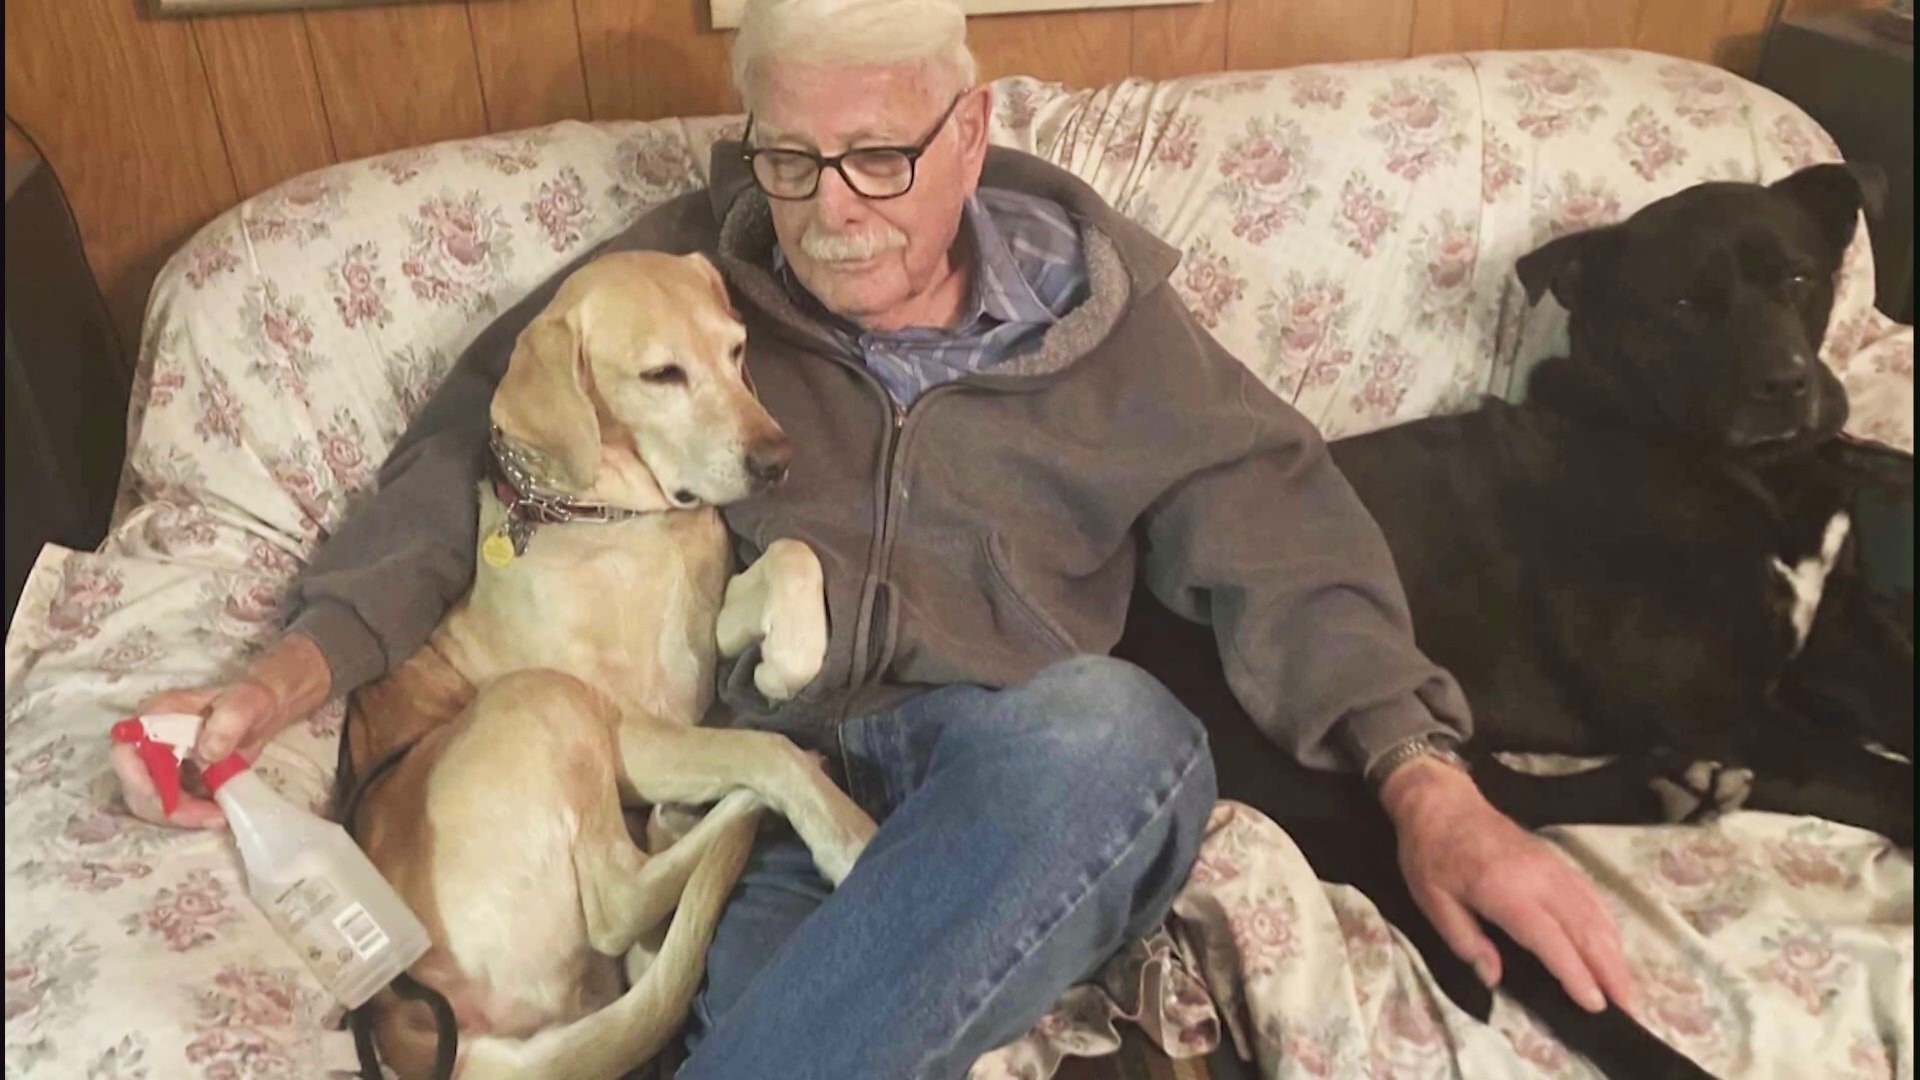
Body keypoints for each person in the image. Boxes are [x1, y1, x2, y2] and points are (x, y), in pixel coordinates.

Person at [113, 0, 1634, 1074]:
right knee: (784, 1003)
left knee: (1118, 726)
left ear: (972, 134)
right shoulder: (677, 281)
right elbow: (465, 460)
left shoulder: (1112, 328)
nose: (830, 210)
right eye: (788, 159)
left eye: (879, 157)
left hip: (1018, 767)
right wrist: (291, 676)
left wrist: (1424, 780)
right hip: (772, 785)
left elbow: (1284, 526)